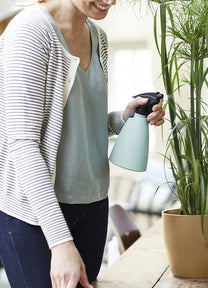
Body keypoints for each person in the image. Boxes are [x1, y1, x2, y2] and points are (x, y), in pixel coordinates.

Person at [0, 0, 165, 287]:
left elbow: (81, 126)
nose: (112, 1)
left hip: (94, 206)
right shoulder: (29, 31)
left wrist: (125, 118)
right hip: (36, 215)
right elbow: (23, 144)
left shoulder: (97, 36)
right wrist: (60, 240)